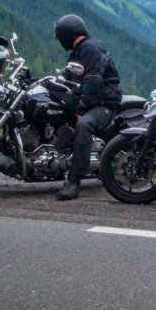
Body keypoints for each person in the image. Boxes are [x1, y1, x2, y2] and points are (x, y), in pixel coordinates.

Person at [52, 14, 122, 201]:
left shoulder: (90, 49)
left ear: (67, 33)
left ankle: (74, 180)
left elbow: (93, 82)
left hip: (104, 105)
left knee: (83, 125)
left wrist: (80, 111)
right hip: (89, 101)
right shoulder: (77, 52)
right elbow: (69, 80)